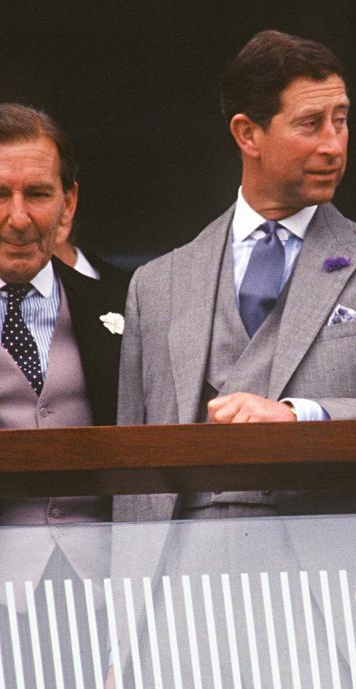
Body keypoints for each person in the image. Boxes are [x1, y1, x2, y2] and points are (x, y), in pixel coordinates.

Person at [115, 29, 356, 521]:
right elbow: (134, 462)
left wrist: (303, 417)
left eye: (341, 121)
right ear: (247, 134)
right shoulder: (155, 284)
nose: (333, 146)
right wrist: (132, 590)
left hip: (336, 573)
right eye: (311, 124)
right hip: (181, 577)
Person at [0, 102, 127, 686]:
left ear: (69, 204)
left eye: (38, 194)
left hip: (104, 600)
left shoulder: (129, 305)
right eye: (0, 194)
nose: (18, 217)